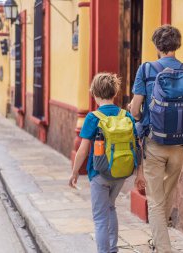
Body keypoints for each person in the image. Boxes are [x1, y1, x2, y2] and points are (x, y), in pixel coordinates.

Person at [130, 25, 183, 253]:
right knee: (167, 193)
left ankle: (163, 248)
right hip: (180, 145)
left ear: (156, 46)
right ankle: (158, 239)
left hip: (155, 143)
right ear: (177, 45)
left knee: (155, 200)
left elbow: (134, 109)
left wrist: (142, 118)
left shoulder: (146, 69)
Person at [68, 73, 145, 253]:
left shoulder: (93, 117)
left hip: (99, 174)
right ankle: (112, 249)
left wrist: (74, 172)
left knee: (100, 217)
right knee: (110, 207)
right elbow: (137, 146)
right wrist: (139, 173)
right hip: (121, 173)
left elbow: (83, 149)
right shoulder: (126, 115)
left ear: (94, 93)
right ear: (115, 92)